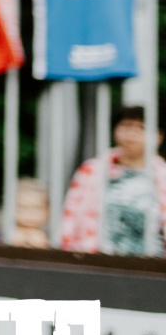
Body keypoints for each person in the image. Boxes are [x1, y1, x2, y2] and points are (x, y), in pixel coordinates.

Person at [58, 105, 166, 255]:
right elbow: (70, 217)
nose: (132, 134)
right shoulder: (93, 170)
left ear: (159, 137)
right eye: (126, 126)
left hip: (152, 261)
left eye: (142, 128)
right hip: (98, 260)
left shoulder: (162, 176)